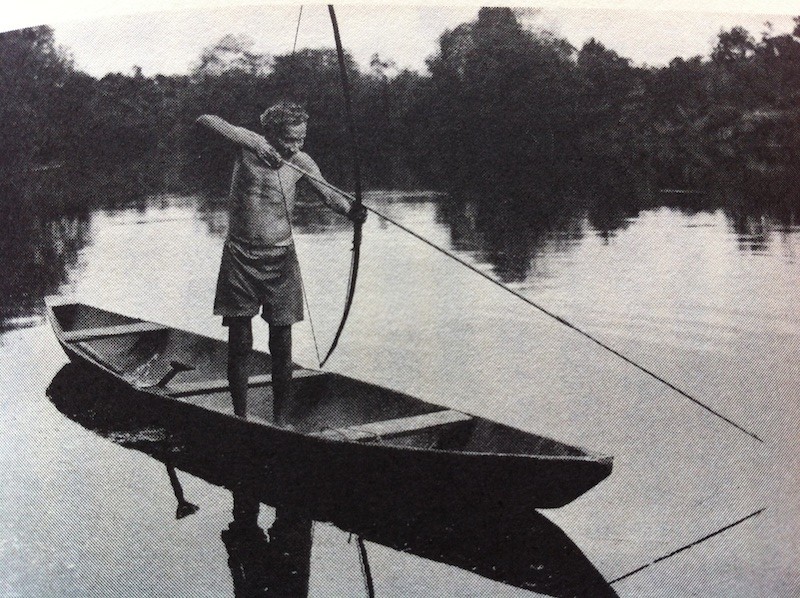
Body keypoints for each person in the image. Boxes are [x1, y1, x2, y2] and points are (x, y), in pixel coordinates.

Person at [196, 102, 366, 425]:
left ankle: (281, 421)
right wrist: (253, 142)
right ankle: (240, 416)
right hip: (240, 256)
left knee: (282, 344)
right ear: (270, 133)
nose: (295, 146)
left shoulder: (301, 162)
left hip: (281, 259)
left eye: (301, 139)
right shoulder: (247, 146)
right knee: (240, 342)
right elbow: (206, 119)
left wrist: (351, 211)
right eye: (289, 139)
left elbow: (329, 196)